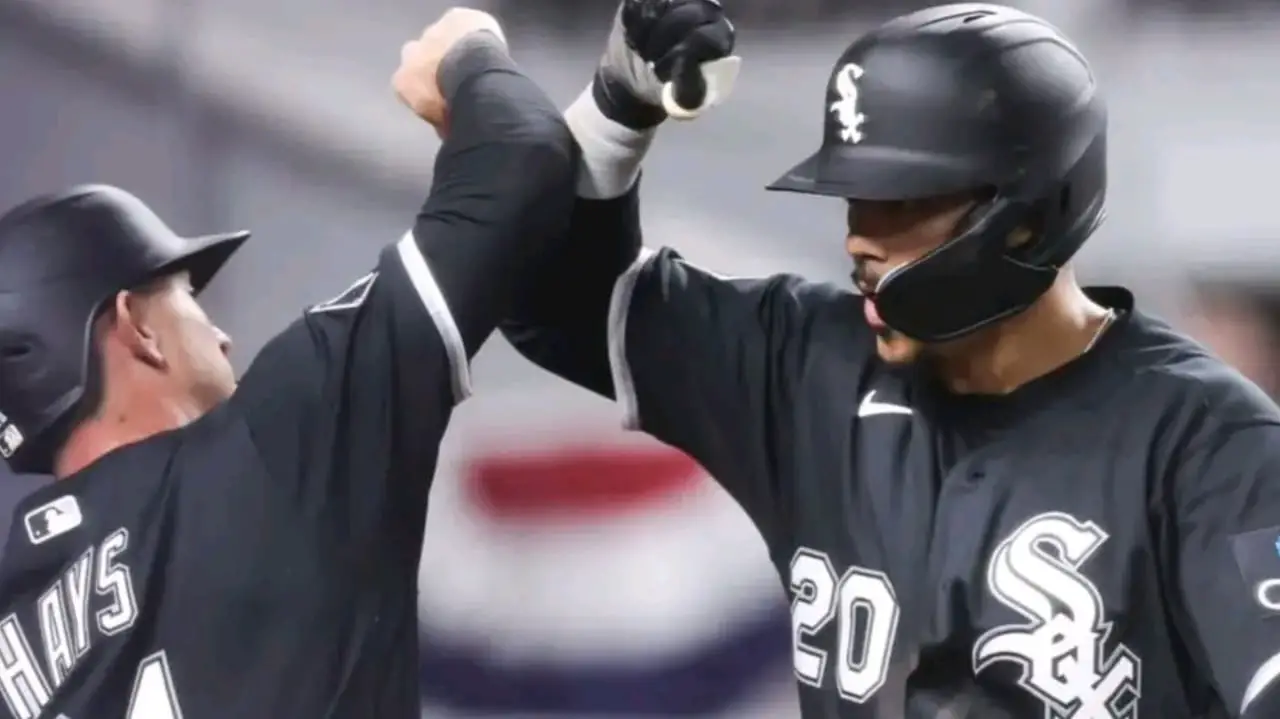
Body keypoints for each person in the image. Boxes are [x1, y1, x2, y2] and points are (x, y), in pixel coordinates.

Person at [503, 1, 1280, 717]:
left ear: (1028, 218)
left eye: (902, 202)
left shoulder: (1209, 443)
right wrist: (614, 112)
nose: (859, 239)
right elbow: (548, 300)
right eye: (855, 197)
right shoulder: (805, 364)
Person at [0, 8, 577, 718]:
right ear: (136, 327)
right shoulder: (272, 442)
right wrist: (469, 52)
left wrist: (617, 102)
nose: (221, 337)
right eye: (186, 297)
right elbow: (522, 160)